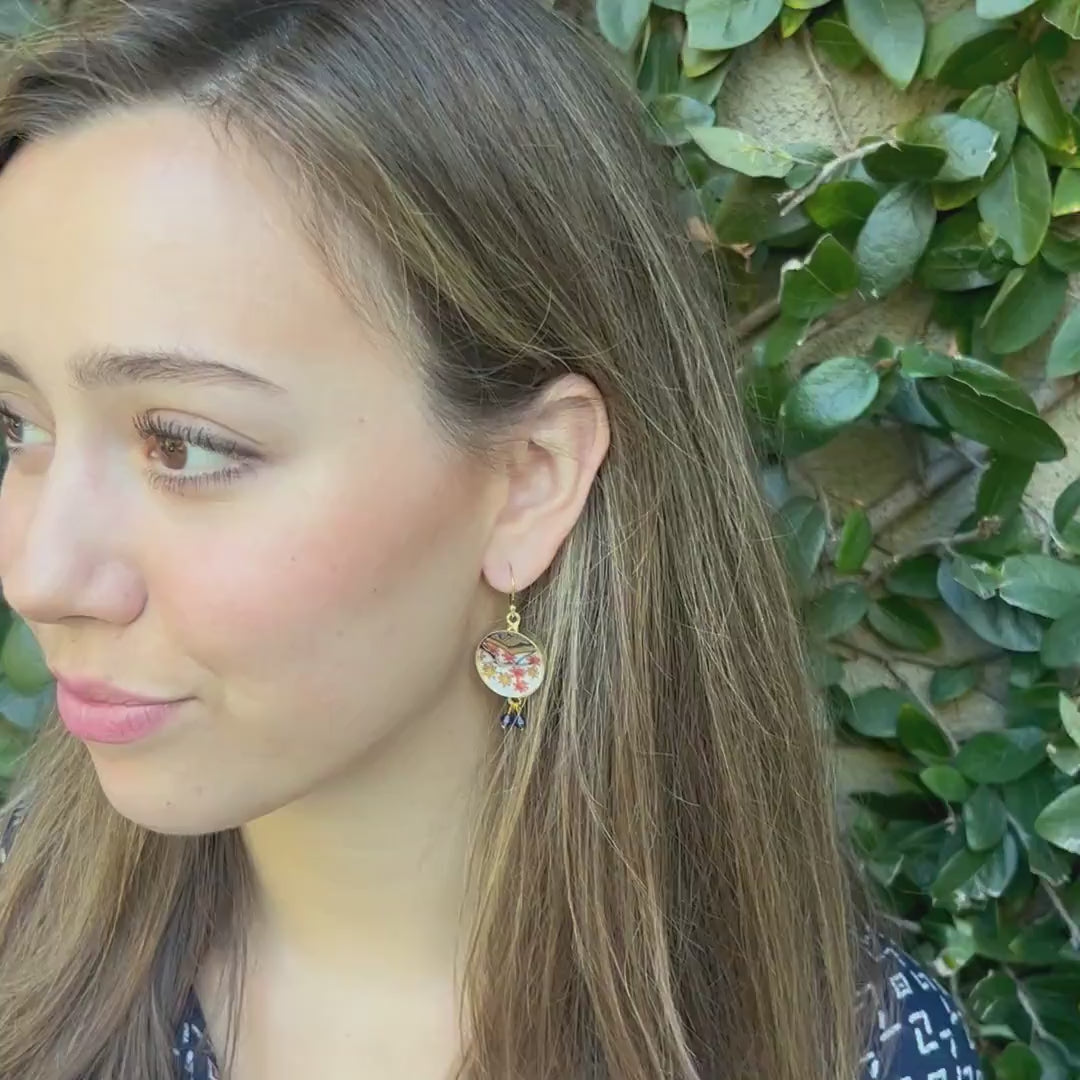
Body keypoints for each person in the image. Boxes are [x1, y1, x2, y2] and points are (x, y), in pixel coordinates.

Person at [0, 2, 983, 1078]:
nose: (41, 573)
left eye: (183, 446)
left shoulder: (844, 1054)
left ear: (530, 483)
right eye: (18, 426)